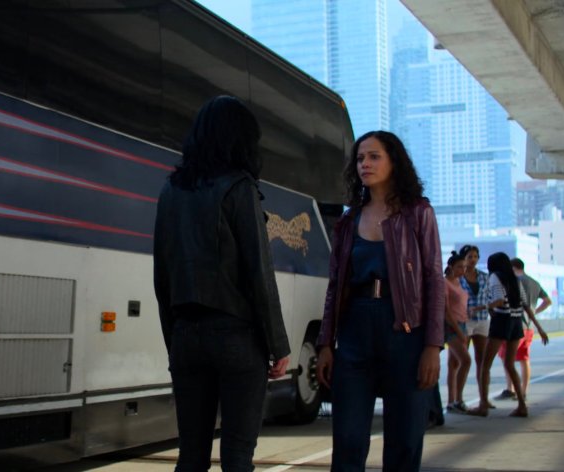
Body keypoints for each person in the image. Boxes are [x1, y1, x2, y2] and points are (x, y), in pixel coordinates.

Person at [153, 95, 290, 471]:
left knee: (191, 454)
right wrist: (278, 345)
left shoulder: (171, 191)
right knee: (236, 454)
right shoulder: (239, 187)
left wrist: (174, 341)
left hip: (186, 338)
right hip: (236, 339)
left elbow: (162, 277)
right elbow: (259, 274)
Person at [315, 130, 444, 472]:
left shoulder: (418, 213)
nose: (365, 164)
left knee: (404, 440)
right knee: (348, 439)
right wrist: (326, 343)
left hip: (404, 331)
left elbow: (433, 279)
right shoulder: (347, 221)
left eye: (374, 157)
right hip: (355, 330)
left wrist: (433, 345)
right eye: (360, 158)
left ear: (393, 161)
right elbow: (334, 287)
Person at [468, 252, 548, 418]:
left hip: (502, 320)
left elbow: (498, 300)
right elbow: (526, 306)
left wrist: (480, 308)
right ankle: (521, 405)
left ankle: (483, 405)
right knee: (510, 364)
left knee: (485, 365)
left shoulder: (495, 277)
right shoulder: (515, 279)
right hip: (517, 322)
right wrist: (539, 328)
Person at [495, 258, 552, 400]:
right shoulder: (534, 283)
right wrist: (535, 312)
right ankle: (524, 391)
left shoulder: (513, 281)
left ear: (513, 268)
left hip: (514, 324)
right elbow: (548, 301)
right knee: (524, 358)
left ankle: (511, 388)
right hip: (529, 326)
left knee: (506, 357)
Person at [458, 244, 493, 409]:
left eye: (475, 256)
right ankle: (458, 399)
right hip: (464, 321)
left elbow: (490, 298)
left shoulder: (484, 277)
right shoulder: (458, 277)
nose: (473, 260)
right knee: (464, 360)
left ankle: (484, 399)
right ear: (463, 259)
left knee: (482, 361)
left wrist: (483, 309)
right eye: (469, 257)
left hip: (482, 320)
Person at [443, 251, 471, 413]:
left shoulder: (460, 282)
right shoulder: (444, 283)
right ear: (451, 267)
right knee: (466, 361)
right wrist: (458, 332)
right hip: (451, 326)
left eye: (464, 267)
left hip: (463, 324)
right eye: (460, 267)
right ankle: (459, 399)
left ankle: (451, 401)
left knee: (453, 364)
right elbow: (446, 311)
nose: (463, 270)